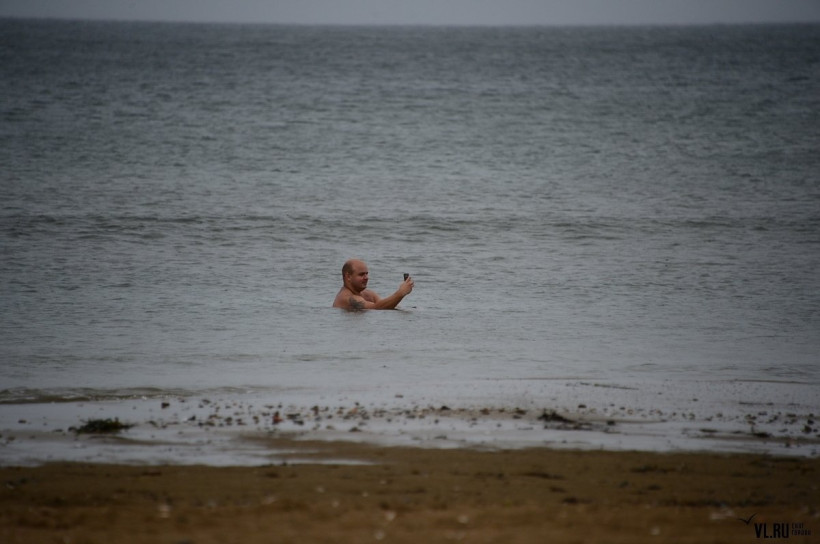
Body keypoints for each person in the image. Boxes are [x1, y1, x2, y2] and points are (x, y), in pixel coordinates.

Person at [333, 259, 414, 310]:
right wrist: (400, 293)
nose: (366, 278)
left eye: (366, 274)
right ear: (348, 277)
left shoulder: (368, 294)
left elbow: (385, 305)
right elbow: (377, 308)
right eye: (361, 274)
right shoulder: (347, 298)